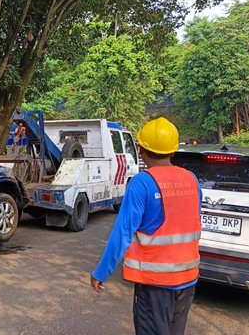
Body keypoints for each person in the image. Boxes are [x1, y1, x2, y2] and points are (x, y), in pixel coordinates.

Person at [90, 117, 203, 335]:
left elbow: (123, 233)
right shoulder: (191, 179)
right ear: (173, 151)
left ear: (141, 149)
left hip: (155, 284)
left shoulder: (141, 183)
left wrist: (101, 272)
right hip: (188, 280)